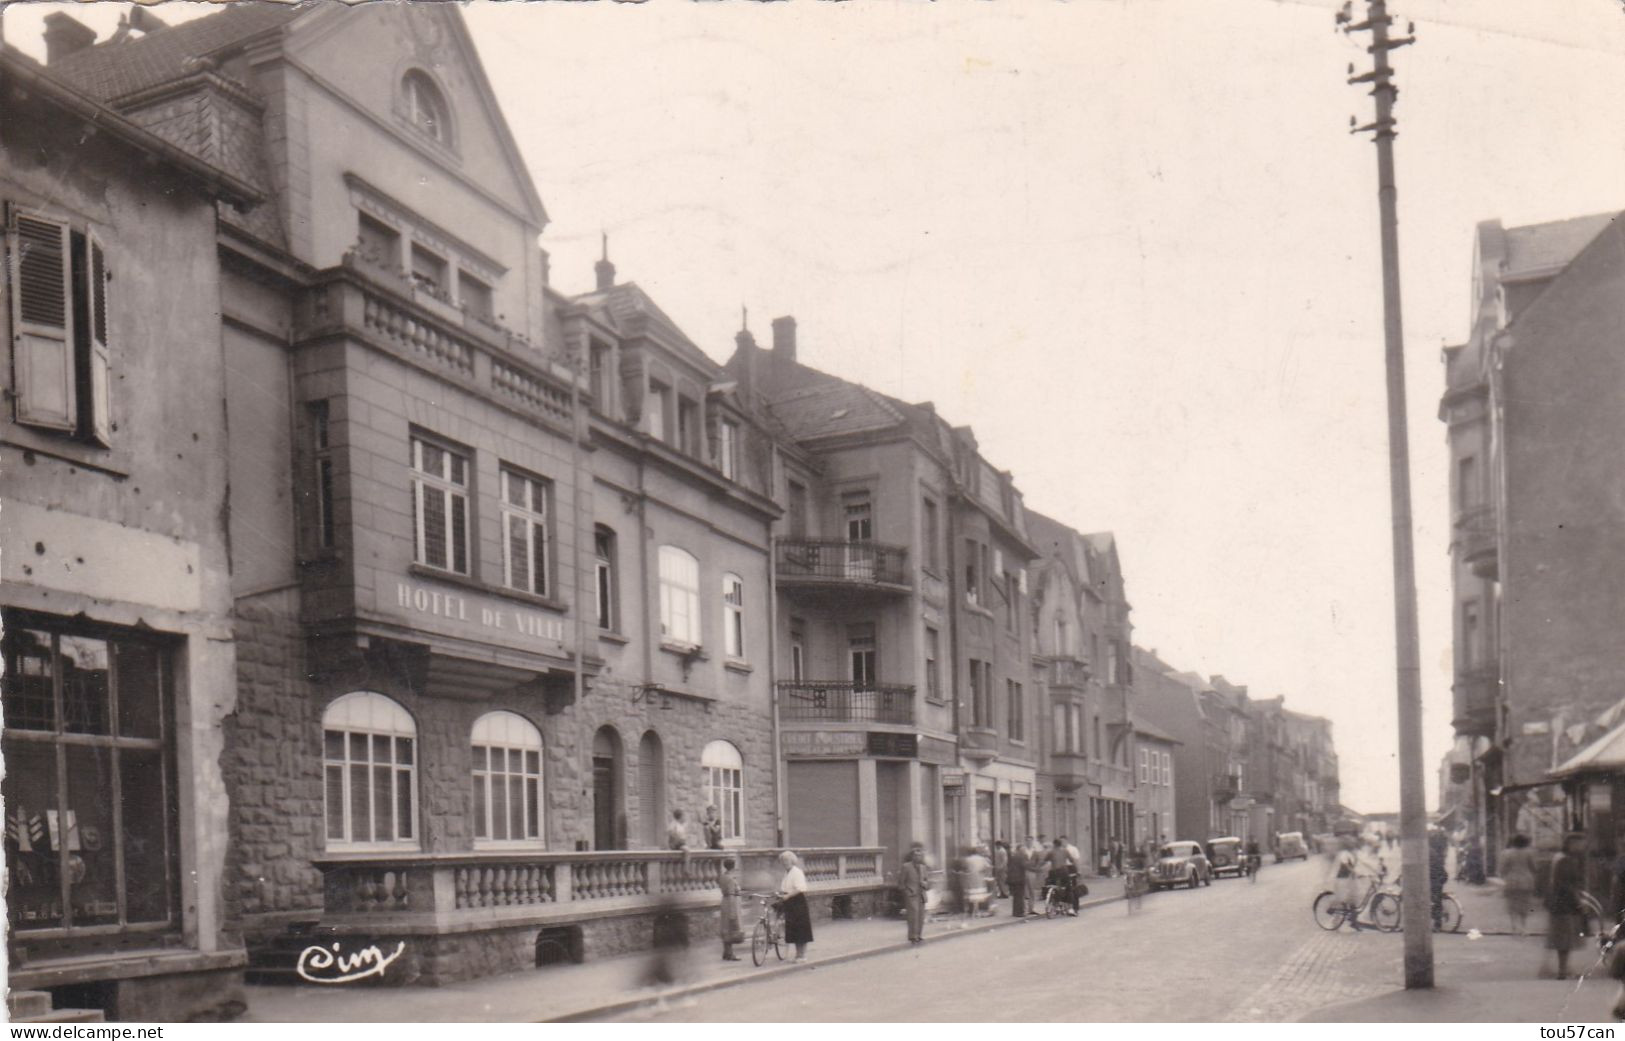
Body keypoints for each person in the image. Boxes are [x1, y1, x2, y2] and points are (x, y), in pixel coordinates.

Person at [1546, 833, 1586, 980]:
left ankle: (1564, 969)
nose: (1582, 847)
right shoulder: (1565, 860)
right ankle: (1563, 970)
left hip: (1559, 902)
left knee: (1564, 937)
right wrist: (1578, 900)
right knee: (1564, 938)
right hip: (1564, 903)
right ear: (1571, 844)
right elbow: (1566, 884)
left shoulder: (1561, 858)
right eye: (1580, 843)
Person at [777, 850, 814, 962]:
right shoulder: (787, 873)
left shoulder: (796, 872)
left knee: (801, 928)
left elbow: (800, 888)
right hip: (790, 903)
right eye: (783, 861)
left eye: (787, 860)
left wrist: (787, 896)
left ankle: (802, 955)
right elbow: (785, 887)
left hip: (798, 902)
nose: (785, 863)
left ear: (792, 861)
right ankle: (798, 954)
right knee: (794, 929)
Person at [1500, 833, 1537, 936]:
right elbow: (1534, 867)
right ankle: (1524, 928)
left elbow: (1503, 869)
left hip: (1511, 881)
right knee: (1524, 905)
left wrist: (1504, 876)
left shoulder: (1506, 853)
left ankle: (1514, 927)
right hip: (1526, 881)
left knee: (1512, 905)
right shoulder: (1529, 853)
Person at [899, 845, 931, 943]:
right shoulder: (906, 866)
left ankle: (919, 935)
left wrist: (925, 884)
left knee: (921, 915)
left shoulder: (923, 868)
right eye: (916, 856)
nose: (918, 857)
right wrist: (907, 892)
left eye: (920, 856)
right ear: (912, 856)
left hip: (921, 894)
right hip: (911, 894)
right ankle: (912, 936)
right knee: (913, 914)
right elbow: (901, 883)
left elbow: (927, 882)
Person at [1333, 834, 1364, 927]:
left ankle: (1354, 921)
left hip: (1351, 878)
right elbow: (1346, 865)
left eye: (1352, 842)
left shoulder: (1353, 852)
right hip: (1343, 879)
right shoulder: (1343, 853)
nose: (1352, 843)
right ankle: (1336, 920)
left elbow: (1362, 862)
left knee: (1354, 899)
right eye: (1350, 842)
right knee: (1343, 900)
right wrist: (1354, 871)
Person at [718, 857, 744, 961]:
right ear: (733, 867)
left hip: (725, 902)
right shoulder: (730, 879)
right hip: (731, 903)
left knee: (725, 927)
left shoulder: (723, 877)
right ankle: (730, 954)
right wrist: (733, 912)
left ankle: (726, 952)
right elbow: (732, 894)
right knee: (731, 928)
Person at [1046, 838, 1078, 916]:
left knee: (1056, 887)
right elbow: (1072, 860)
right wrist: (1075, 869)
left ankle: (1056, 906)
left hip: (1053, 873)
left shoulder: (1051, 852)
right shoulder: (1065, 851)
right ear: (1061, 844)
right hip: (1063, 872)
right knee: (1069, 889)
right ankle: (1070, 908)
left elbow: (1045, 860)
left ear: (1054, 844)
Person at [1428, 827, 1449, 932]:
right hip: (1440, 876)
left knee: (1435, 899)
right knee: (1436, 899)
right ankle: (1437, 920)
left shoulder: (1429, 852)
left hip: (1436, 878)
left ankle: (1437, 924)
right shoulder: (1433, 852)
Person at [962, 845, 992, 918]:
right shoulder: (981, 859)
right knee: (977, 896)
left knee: (971, 895)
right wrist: (984, 872)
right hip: (979, 878)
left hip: (970, 878)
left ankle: (971, 911)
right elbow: (988, 866)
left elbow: (964, 868)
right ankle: (976, 911)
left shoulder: (967, 859)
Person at [1007, 840, 1031, 918]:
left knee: (1016, 895)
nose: (1024, 850)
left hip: (1012, 878)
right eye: (1023, 849)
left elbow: (1009, 866)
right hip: (1019, 878)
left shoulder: (1014, 855)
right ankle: (1020, 912)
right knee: (1020, 895)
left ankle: (1015, 912)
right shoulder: (1023, 855)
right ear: (1021, 849)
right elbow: (1025, 865)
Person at [1023, 836, 1046, 914]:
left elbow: (1039, 861)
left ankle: (1031, 908)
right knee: (1024, 891)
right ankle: (1024, 909)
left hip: (1032, 872)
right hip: (1023, 872)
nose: (1029, 842)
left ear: (1032, 842)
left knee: (1032, 891)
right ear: (1025, 842)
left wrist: (1036, 868)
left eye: (1030, 841)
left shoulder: (1035, 852)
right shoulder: (1023, 851)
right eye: (1027, 841)